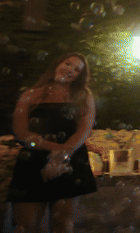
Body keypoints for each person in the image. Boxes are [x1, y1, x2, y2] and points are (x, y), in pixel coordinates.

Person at [6, 53, 98, 233]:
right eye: (68, 64)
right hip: (33, 161)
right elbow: (21, 132)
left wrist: (63, 155)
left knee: (62, 225)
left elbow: (84, 129)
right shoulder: (30, 95)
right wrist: (58, 150)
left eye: (77, 69)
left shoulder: (83, 96)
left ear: (80, 76)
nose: (70, 70)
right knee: (26, 225)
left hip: (70, 161)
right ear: (57, 64)